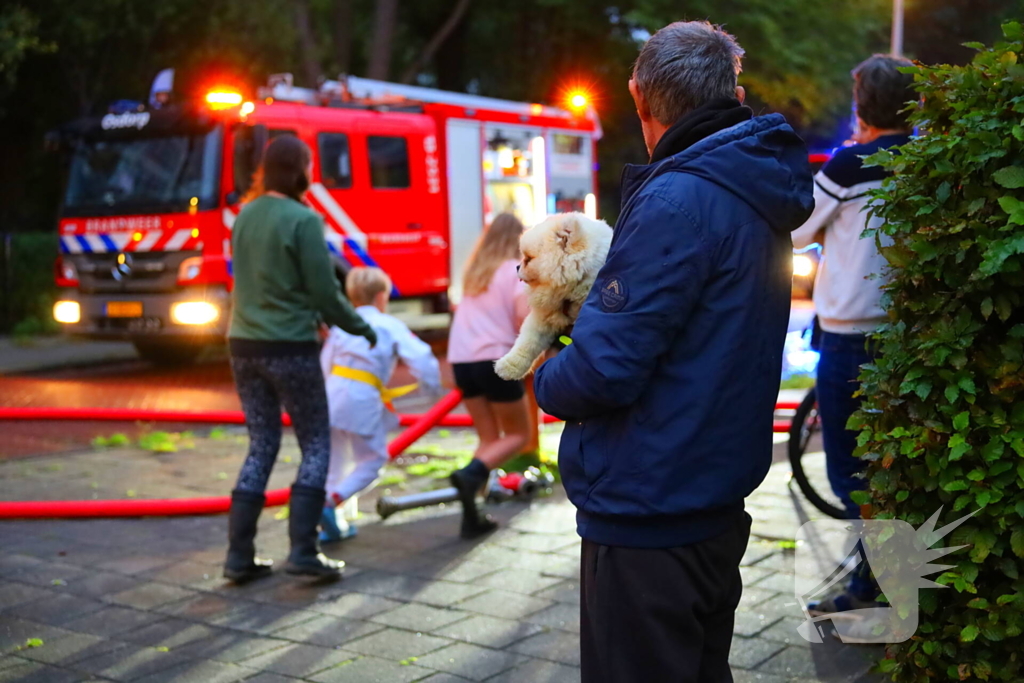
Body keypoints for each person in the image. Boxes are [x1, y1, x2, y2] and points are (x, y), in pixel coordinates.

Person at [533, 21, 814, 683]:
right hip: (711, 496)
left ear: (640, 98)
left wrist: (547, 373)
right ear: (734, 93)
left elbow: (605, 367)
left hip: (648, 507)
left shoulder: (676, 198)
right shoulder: (751, 189)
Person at [791, 55, 916, 624]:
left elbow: (797, 228)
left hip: (849, 338)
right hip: (908, 335)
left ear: (863, 104)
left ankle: (881, 581)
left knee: (849, 470)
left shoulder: (848, 165)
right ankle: (882, 572)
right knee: (891, 462)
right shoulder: (923, 159)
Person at [224, 135, 377, 583]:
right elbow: (324, 293)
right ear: (300, 170)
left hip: (243, 347)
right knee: (315, 444)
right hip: (289, 347)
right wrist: (362, 327)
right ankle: (303, 552)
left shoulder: (244, 216)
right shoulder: (303, 220)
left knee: (262, 444)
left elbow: (265, 282)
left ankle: (238, 557)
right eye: (310, 166)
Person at [318, 267, 442, 542]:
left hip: (331, 395)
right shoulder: (388, 324)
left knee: (335, 463)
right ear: (382, 296)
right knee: (372, 461)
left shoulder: (341, 325)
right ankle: (331, 502)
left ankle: (330, 521)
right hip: (361, 399)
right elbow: (421, 359)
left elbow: (326, 362)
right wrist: (432, 390)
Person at [446, 213, 531, 538]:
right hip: (495, 359)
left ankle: (473, 514)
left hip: (462, 360)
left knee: (488, 439)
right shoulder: (514, 270)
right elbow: (523, 317)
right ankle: (470, 476)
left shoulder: (475, 273)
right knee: (517, 436)